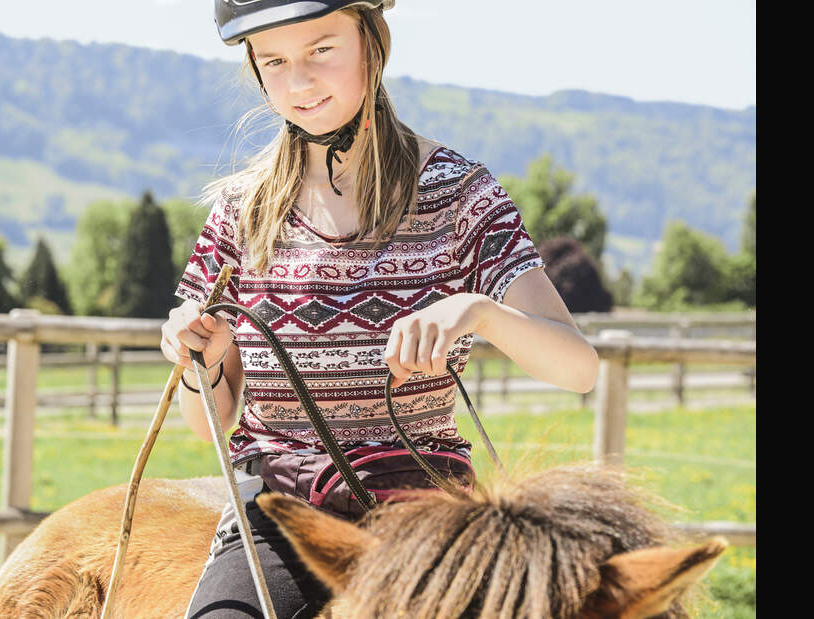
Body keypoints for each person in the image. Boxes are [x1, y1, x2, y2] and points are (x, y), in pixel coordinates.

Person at [159, 1, 600, 616]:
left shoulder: (462, 194)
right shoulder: (242, 210)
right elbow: (213, 424)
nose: (300, 81)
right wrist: (196, 358)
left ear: (371, 42)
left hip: (429, 521)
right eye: (275, 61)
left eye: (322, 50)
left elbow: (578, 368)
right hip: (281, 519)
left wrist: (480, 311)